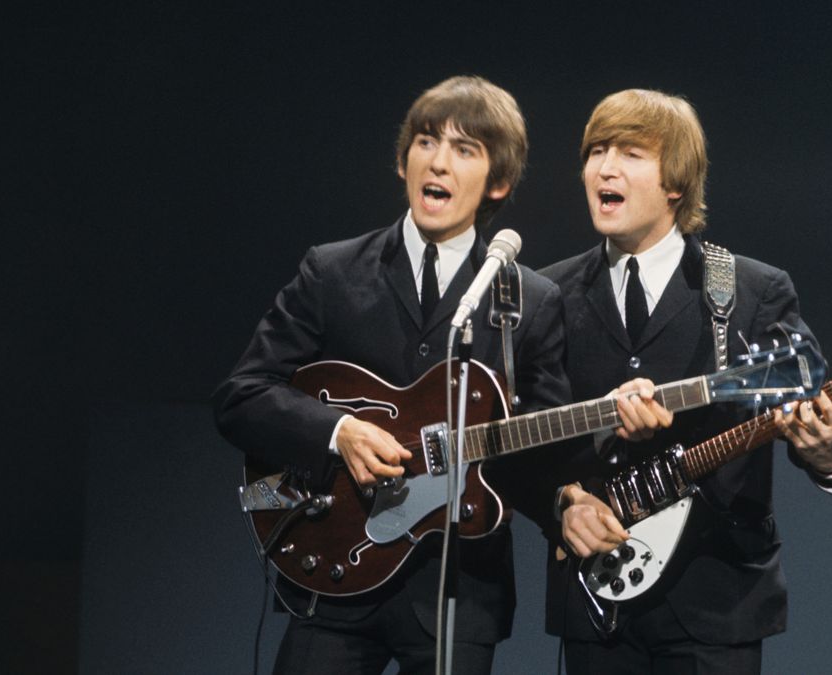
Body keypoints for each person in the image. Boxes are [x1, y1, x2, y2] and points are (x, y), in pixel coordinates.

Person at [212, 76, 573, 675]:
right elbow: (239, 398)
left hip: (456, 591)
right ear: (403, 161)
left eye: (465, 150)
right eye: (427, 141)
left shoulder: (528, 300)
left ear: (499, 182)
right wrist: (337, 432)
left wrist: (568, 497)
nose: (438, 161)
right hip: (330, 571)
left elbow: (542, 452)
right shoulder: (331, 272)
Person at [538, 89, 832, 674]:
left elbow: (812, 397)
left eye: (631, 153)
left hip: (716, 607)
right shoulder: (547, 294)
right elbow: (520, 442)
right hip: (593, 600)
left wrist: (831, 448)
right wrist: (560, 503)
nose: (605, 168)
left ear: (676, 184)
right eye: (597, 151)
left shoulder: (752, 290)